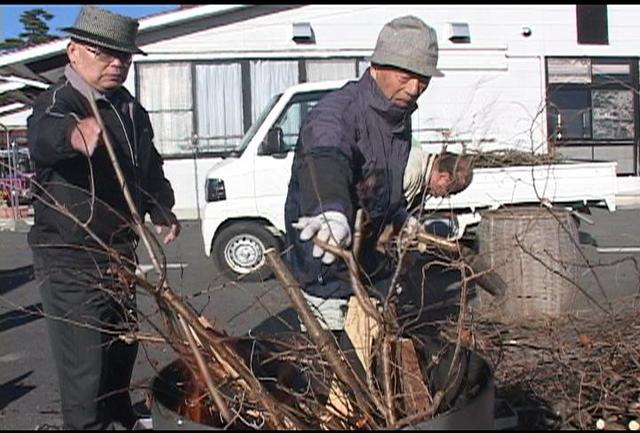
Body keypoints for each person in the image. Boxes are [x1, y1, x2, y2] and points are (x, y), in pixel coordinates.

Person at [27, 6, 180, 430]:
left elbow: (147, 169)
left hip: (119, 255)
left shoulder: (129, 110)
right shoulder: (60, 101)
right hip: (70, 259)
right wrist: (71, 135)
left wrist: (161, 207)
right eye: (105, 54)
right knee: (85, 369)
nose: (117, 64)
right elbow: (41, 136)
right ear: (74, 52)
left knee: (120, 353)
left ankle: (119, 421)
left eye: (125, 57)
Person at [284, 15, 462, 333]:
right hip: (328, 270)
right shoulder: (337, 112)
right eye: (406, 75)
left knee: (379, 352)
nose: (415, 88)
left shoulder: (398, 119)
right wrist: (330, 209)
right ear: (378, 65)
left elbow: (382, 185)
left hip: (369, 267)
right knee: (337, 364)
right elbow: (325, 159)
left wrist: (399, 217)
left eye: (424, 79)